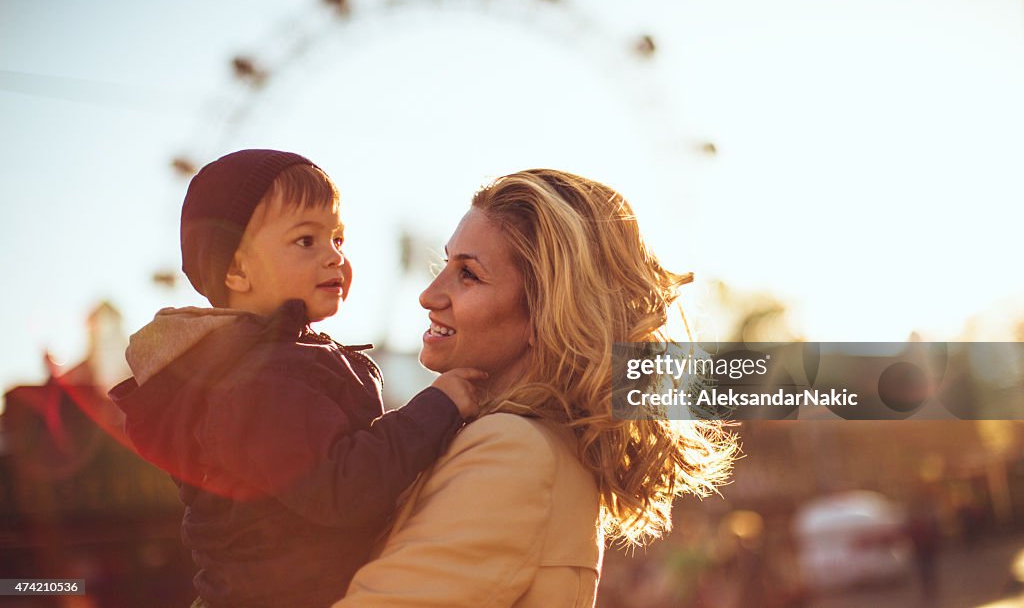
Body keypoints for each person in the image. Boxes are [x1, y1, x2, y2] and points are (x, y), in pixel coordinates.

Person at [336, 169, 737, 607]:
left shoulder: (514, 451)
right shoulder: (535, 445)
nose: (430, 295)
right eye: (444, 264)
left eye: (468, 274)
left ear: (545, 312)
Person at [108, 149, 484, 608]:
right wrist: (438, 406)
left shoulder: (281, 360)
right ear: (237, 270)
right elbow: (343, 486)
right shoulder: (255, 382)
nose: (334, 257)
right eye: (306, 241)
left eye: (339, 240)